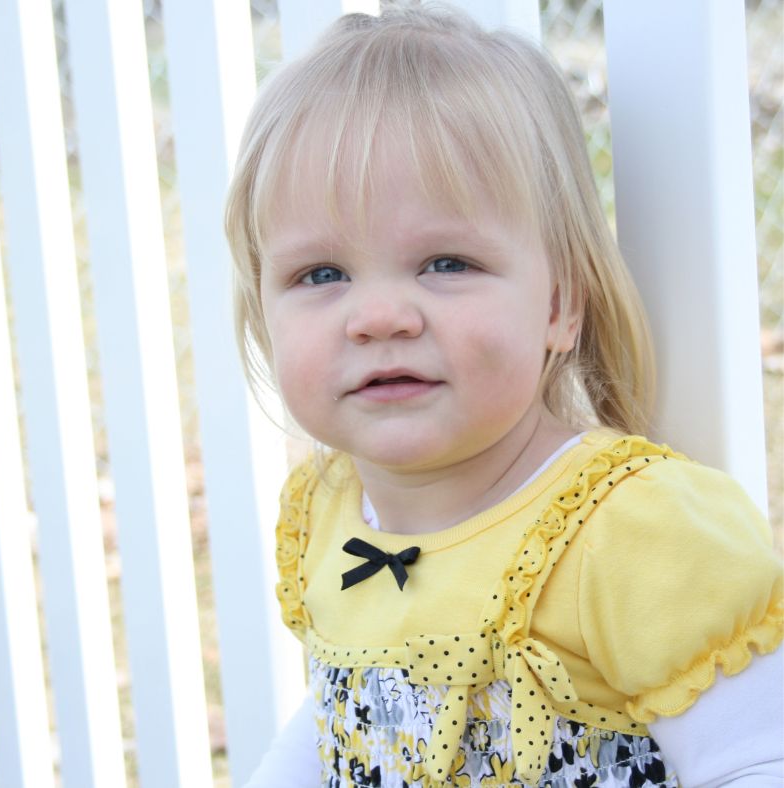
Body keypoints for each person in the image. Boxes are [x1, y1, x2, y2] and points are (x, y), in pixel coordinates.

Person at [225, 4, 784, 786]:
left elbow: (754, 760)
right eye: (321, 275)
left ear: (560, 303)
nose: (380, 316)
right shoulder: (330, 517)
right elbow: (341, 719)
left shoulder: (629, 532)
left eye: (445, 263)